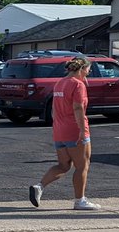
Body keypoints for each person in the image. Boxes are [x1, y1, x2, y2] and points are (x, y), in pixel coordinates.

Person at [29, 56, 100, 211]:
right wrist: (81, 130)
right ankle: (79, 200)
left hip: (59, 130)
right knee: (82, 166)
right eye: (88, 70)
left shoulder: (60, 83)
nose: (88, 73)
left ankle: (39, 187)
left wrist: (58, 126)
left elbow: (54, 109)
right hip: (74, 130)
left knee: (63, 165)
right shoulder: (78, 85)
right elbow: (78, 108)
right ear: (82, 69)